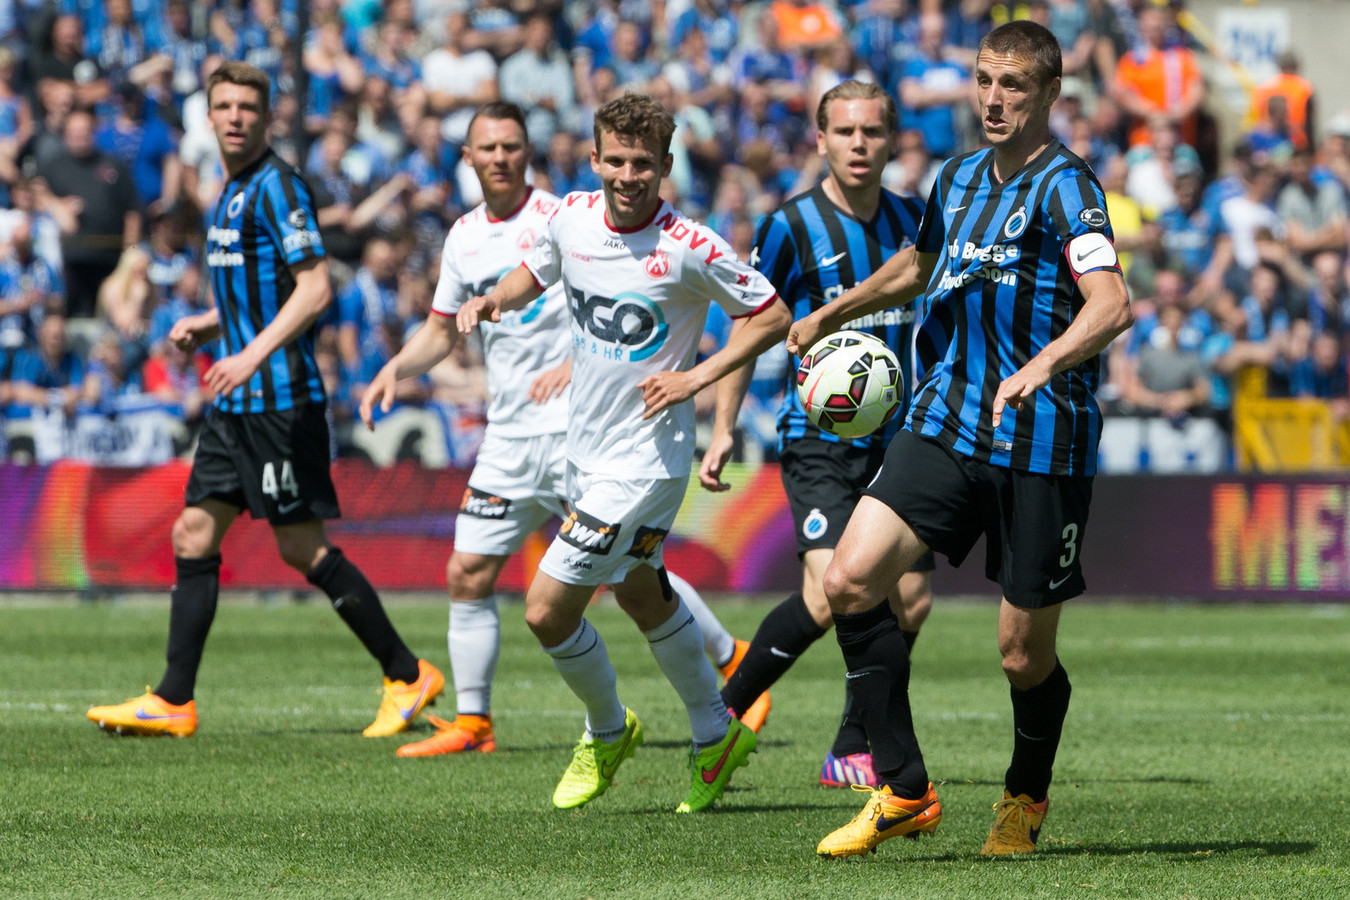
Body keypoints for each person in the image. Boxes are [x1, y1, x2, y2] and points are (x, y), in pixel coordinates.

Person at [789, 21, 1131, 858]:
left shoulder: (1067, 187)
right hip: (944, 422)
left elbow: (1112, 302)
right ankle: (903, 788)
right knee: (848, 579)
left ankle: (1023, 797)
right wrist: (836, 311)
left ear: (1049, 93)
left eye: (1013, 84)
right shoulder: (959, 176)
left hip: (1041, 441)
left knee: (1021, 658)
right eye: (984, 80)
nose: (993, 98)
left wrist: (1042, 365)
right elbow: (920, 263)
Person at [360, 101, 765, 759]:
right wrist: (404, 363)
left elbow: (717, 318)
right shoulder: (488, 233)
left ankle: (623, 723)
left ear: (530, 152)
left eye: (511, 146)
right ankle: (479, 721)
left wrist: (644, 378)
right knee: (581, 576)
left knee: (566, 598)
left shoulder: (575, 214)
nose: (499, 157)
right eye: (486, 147)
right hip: (525, 436)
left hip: (612, 437)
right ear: (468, 158)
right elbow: (453, 322)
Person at [85, 62, 444, 740]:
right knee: (193, 532)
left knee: (301, 549)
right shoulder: (228, 191)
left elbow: (314, 290)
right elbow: (263, 297)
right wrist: (211, 324)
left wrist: (249, 354)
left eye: (248, 106)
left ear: (266, 116)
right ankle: (173, 699)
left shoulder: (278, 187)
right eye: (224, 105)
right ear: (210, 115)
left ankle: (406, 673)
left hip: (279, 402)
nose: (235, 117)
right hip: (236, 406)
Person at [456, 93, 791, 812]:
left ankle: (606, 730)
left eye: (644, 163)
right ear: (595, 158)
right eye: (616, 160)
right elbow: (534, 272)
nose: (629, 174)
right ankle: (715, 732)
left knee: (547, 612)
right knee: (641, 593)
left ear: (665, 166)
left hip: (647, 462)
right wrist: (493, 301)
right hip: (586, 453)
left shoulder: (691, 247)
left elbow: (772, 316)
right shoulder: (569, 218)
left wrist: (697, 379)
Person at [706, 80, 934, 791]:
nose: (859, 145)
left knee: (912, 601)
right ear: (821, 140)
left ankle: (851, 741)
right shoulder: (789, 226)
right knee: (828, 593)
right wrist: (721, 427)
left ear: (889, 140)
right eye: (845, 132)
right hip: (819, 439)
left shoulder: (914, 220)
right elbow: (751, 324)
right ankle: (720, 721)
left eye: (871, 132)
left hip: (900, 439)